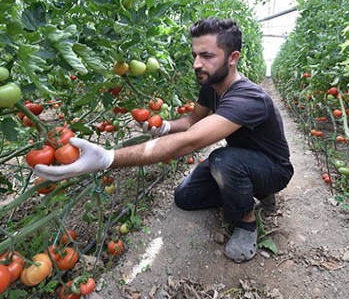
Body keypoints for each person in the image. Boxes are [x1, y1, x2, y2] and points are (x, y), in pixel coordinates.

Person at [35, 18, 293, 263]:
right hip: (241, 161)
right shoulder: (211, 86)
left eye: (206, 56)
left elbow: (189, 141)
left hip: (274, 169)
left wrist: (108, 158)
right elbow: (192, 120)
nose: (196, 64)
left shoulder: (249, 97)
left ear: (233, 58)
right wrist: (166, 126)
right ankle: (247, 190)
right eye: (195, 55)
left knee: (223, 161)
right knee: (185, 196)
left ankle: (247, 220)